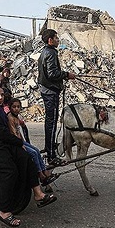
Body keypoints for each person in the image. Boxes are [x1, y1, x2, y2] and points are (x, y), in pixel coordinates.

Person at [0, 86, 57, 227]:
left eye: (2, 95)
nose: (0, 97)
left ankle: (38, 194)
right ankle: (4, 211)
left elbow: (4, 133)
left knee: (26, 157)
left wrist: (18, 144)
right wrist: (18, 142)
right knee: (8, 170)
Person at [37, 28, 76, 165]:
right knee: (52, 122)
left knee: (50, 121)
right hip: (50, 92)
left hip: (46, 90)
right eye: (56, 38)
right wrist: (66, 75)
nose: (58, 40)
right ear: (50, 40)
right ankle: (51, 155)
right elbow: (52, 74)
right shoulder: (51, 53)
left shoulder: (44, 52)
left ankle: (50, 146)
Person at [7, 98, 59, 186]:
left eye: (18, 107)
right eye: (14, 107)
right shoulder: (10, 118)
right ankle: (40, 174)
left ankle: (45, 171)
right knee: (33, 153)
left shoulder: (17, 117)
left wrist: (24, 141)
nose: (16, 109)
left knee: (37, 151)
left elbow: (20, 131)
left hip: (21, 141)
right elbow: (14, 134)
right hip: (16, 143)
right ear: (10, 108)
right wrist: (21, 145)